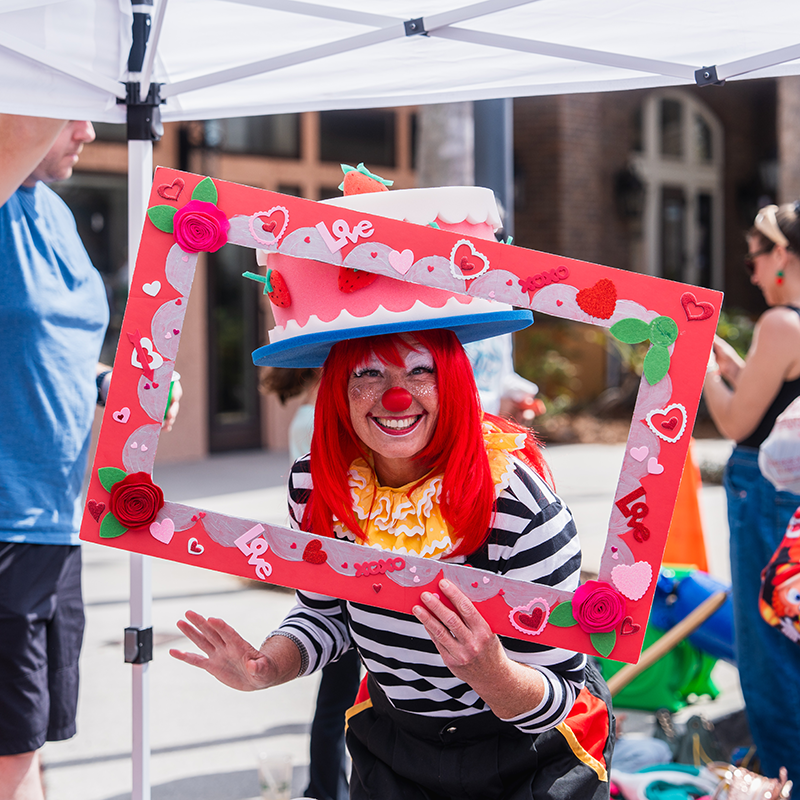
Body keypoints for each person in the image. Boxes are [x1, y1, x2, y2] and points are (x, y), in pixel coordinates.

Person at [172, 182, 614, 798]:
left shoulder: (516, 500)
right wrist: (269, 665)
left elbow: (562, 692)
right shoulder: (317, 484)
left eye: (420, 371)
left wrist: (493, 676)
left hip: (528, 752)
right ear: (337, 389)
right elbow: (328, 611)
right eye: (369, 372)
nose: (396, 396)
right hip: (396, 743)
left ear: (454, 380)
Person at [0, 115, 181, 800]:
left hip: (58, 525)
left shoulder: (55, 212)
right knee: (11, 756)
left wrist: (119, 386)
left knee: (30, 741)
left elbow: (62, 353)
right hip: (5, 527)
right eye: (65, 107)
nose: (86, 128)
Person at [703, 201, 800, 780]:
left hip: (765, 493)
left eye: (756, 257)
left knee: (767, 650)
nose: (754, 270)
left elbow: (739, 423)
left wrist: (699, 369)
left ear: (783, 254)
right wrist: (737, 369)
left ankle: (787, 780)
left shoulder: (781, 322)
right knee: (789, 630)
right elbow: (779, 400)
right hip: (787, 490)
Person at [262, 366, 360, 800]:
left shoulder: (312, 406)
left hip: (329, 559)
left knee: (337, 693)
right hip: (344, 562)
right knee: (339, 697)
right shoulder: (325, 413)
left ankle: (325, 785)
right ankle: (326, 786)